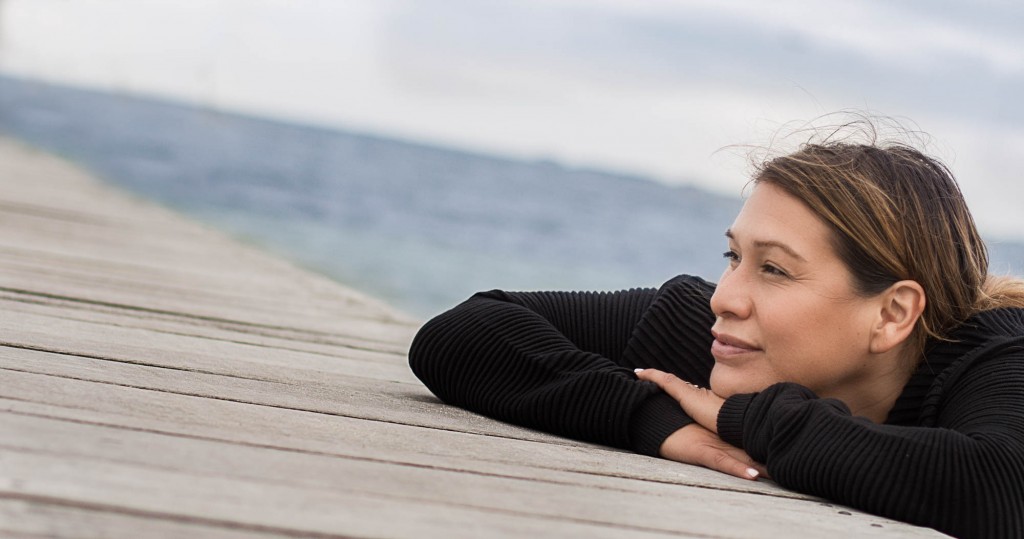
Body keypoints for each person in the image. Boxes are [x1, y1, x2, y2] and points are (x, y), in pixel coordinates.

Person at [407, 119, 1024, 538]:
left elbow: (997, 488)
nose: (726, 297)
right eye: (734, 257)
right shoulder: (708, 336)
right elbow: (464, 334)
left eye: (775, 269)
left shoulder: (999, 357)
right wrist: (657, 422)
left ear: (892, 315)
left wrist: (743, 419)